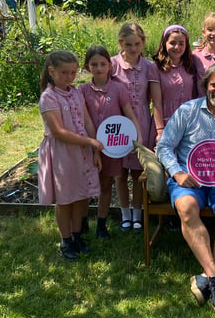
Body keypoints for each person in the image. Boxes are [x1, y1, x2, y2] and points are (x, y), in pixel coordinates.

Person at [156, 62, 215, 314]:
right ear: (206, 85)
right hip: (190, 181)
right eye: (214, 84)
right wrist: (177, 173)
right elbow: (164, 146)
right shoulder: (187, 111)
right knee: (186, 207)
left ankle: (207, 276)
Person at [37, 50, 103, 260]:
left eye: (73, 73)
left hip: (82, 151)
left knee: (82, 195)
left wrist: (95, 149)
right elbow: (59, 132)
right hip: (63, 154)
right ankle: (65, 240)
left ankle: (77, 235)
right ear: (51, 71)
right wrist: (89, 141)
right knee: (65, 199)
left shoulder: (76, 92)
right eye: (65, 72)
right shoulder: (49, 97)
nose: (69, 77)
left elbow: (87, 121)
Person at [80, 45, 143, 239]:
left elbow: (129, 114)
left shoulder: (118, 88)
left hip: (111, 147)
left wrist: (138, 137)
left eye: (103, 64)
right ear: (87, 66)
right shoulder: (81, 91)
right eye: (94, 64)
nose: (99, 68)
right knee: (86, 185)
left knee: (106, 184)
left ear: (110, 65)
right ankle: (81, 222)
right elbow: (84, 119)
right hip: (88, 147)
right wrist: (91, 143)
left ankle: (101, 223)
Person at [111, 22, 162, 232]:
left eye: (137, 44)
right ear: (121, 43)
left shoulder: (149, 66)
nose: (133, 49)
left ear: (143, 43)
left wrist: (157, 128)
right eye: (128, 44)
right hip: (117, 123)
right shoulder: (112, 64)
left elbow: (154, 99)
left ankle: (138, 213)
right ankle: (124, 214)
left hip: (141, 120)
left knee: (139, 171)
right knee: (120, 173)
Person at [152, 24, 197, 141]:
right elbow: (156, 103)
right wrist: (160, 130)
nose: (177, 47)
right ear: (164, 43)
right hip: (167, 121)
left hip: (188, 122)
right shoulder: (156, 68)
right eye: (172, 43)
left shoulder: (190, 65)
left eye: (181, 43)